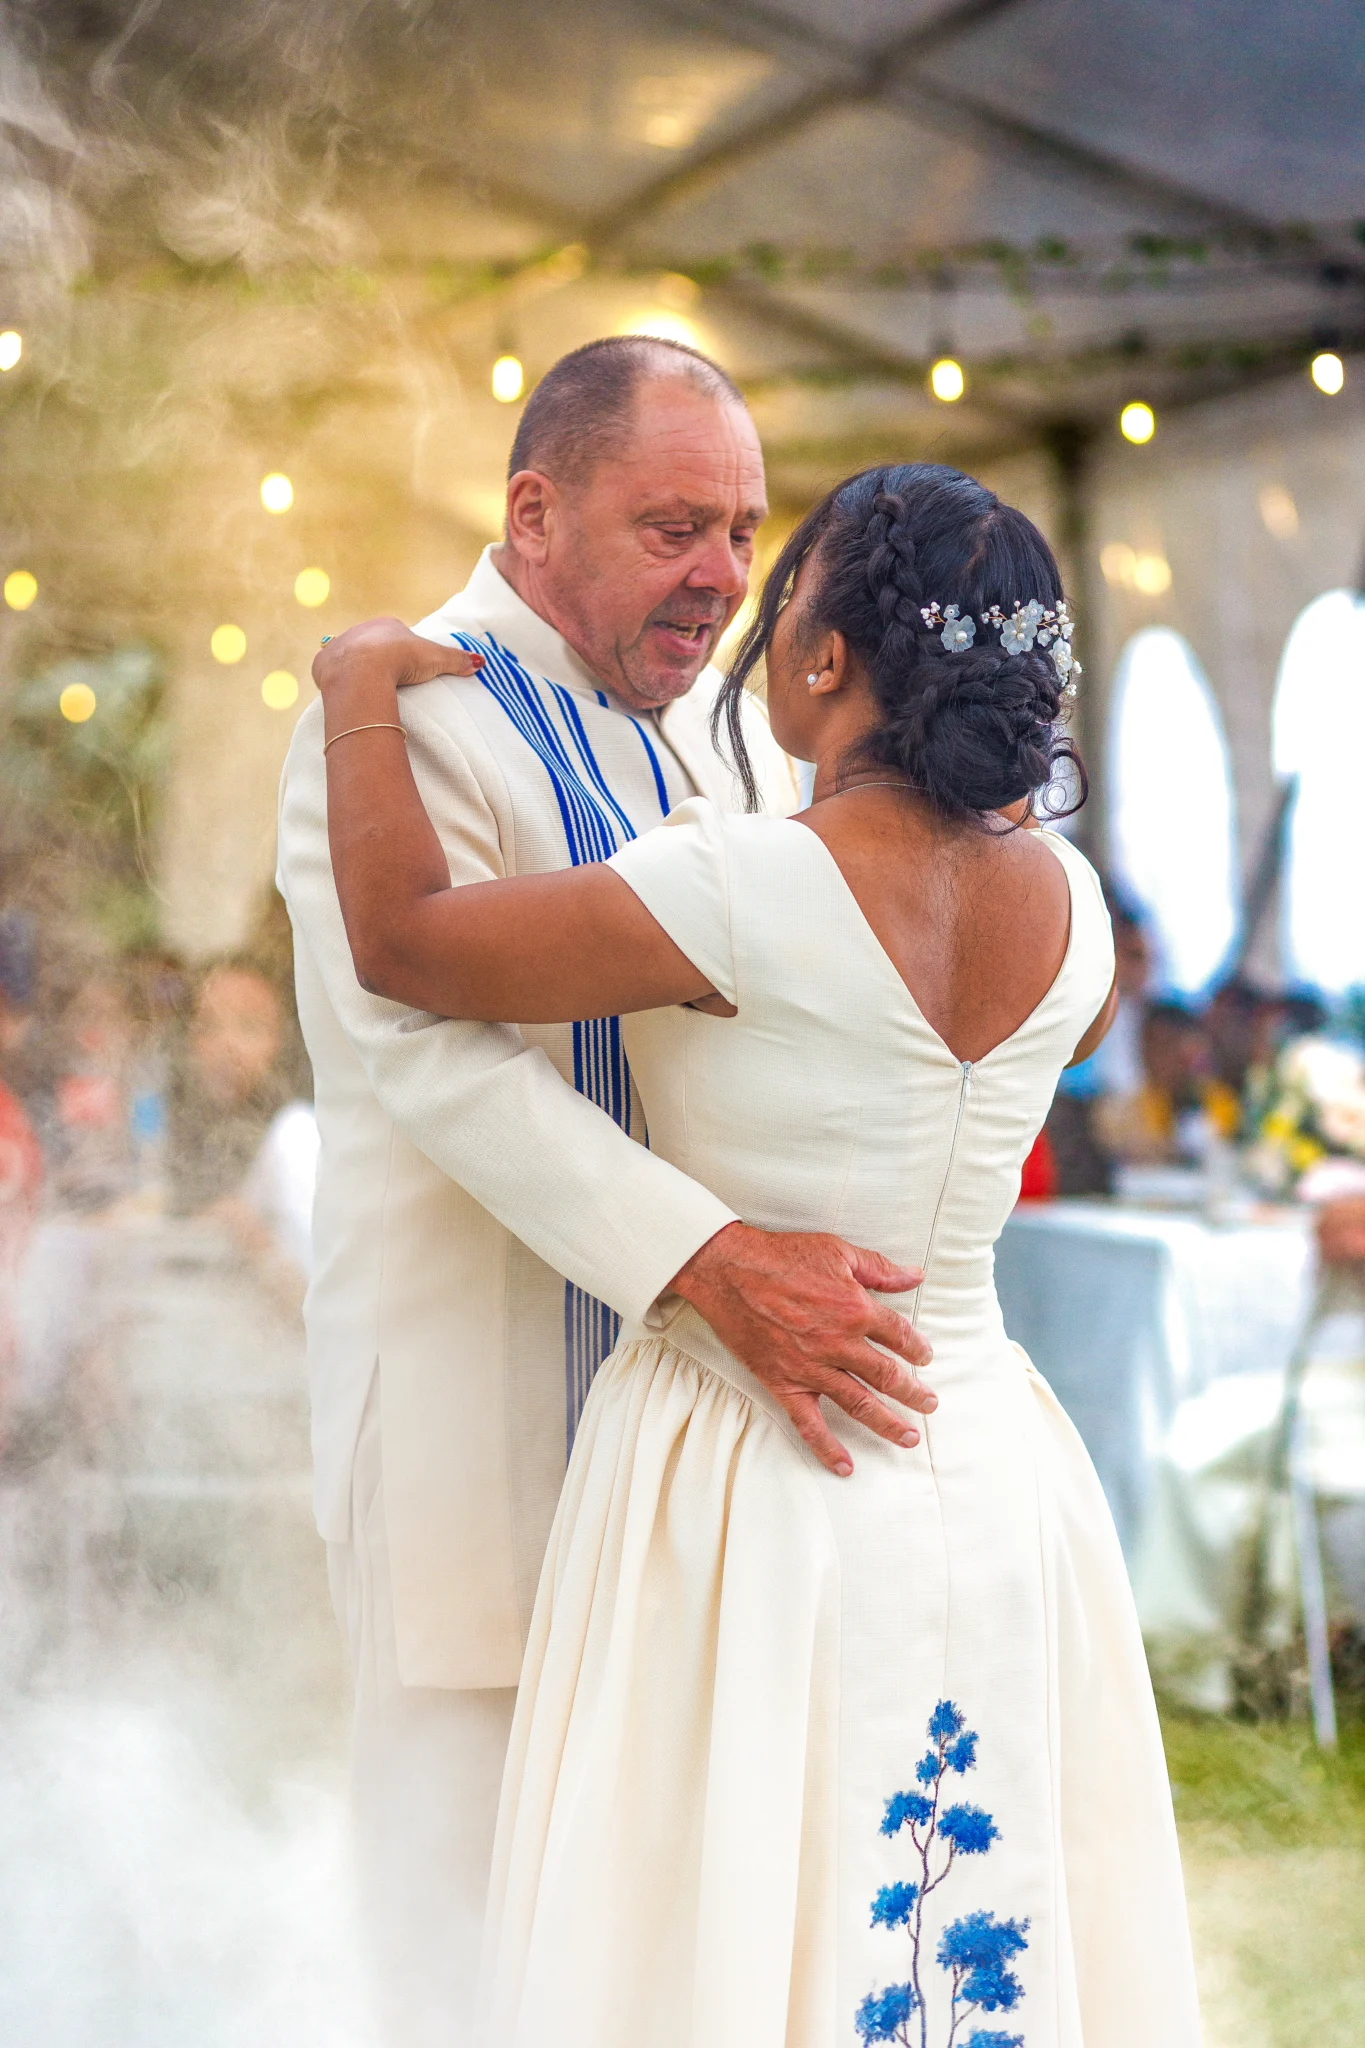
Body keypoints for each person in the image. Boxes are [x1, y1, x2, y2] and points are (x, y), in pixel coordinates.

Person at [316, 463, 1200, 2046]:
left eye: (774, 584)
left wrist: (357, 690)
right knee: (959, 1896)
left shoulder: (740, 885)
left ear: (824, 656)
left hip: (748, 1459)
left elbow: (401, 947)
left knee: (728, 1894)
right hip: (984, 1444)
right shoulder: (1073, 913)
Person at [279, 338, 936, 2045]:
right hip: (479, 1418)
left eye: (743, 532)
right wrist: (711, 1261)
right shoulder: (402, 714)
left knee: (656, 1935)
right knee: (460, 1939)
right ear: (534, 512)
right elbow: (433, 1062)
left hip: (684, 1454)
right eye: (673, 529)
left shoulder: (715, 747)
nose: (722, 575)